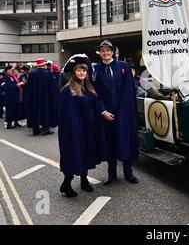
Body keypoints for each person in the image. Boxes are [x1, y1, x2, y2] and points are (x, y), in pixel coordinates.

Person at [93, 40, 139, 186]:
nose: (105, 53)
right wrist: (103, 111)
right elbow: (95, 93)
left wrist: (123, 112)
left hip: (123, 113)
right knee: (109, 143)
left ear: (113, 52)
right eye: (102, 51)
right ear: (100, 53)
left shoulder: (123, 66)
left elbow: (129, 90)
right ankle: (111, 174)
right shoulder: (96, 70)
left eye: (108, 50)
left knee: (125, 141)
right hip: (106, 114)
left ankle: (128, 173)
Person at [58, 59, 103, 198]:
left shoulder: (89, 87)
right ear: (74, 72)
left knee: (86, 154)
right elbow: (68, 114)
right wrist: (75, 131)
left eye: (84, 70)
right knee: (73, 155)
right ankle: (67, 184)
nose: (82, 72)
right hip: (74, 130)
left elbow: (96, 104)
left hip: (89, 128)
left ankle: (84, 180)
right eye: (79, 70)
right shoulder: (69, 89)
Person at [25, 58, 60, 136]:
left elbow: (29, 87)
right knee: (45, 112)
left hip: (34, 98)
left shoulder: (32, 74)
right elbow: (52, 87)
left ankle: (35, 129)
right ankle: (45, 128)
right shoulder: (48, 73)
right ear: (44, 64)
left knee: (35, 111)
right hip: (45, 97)